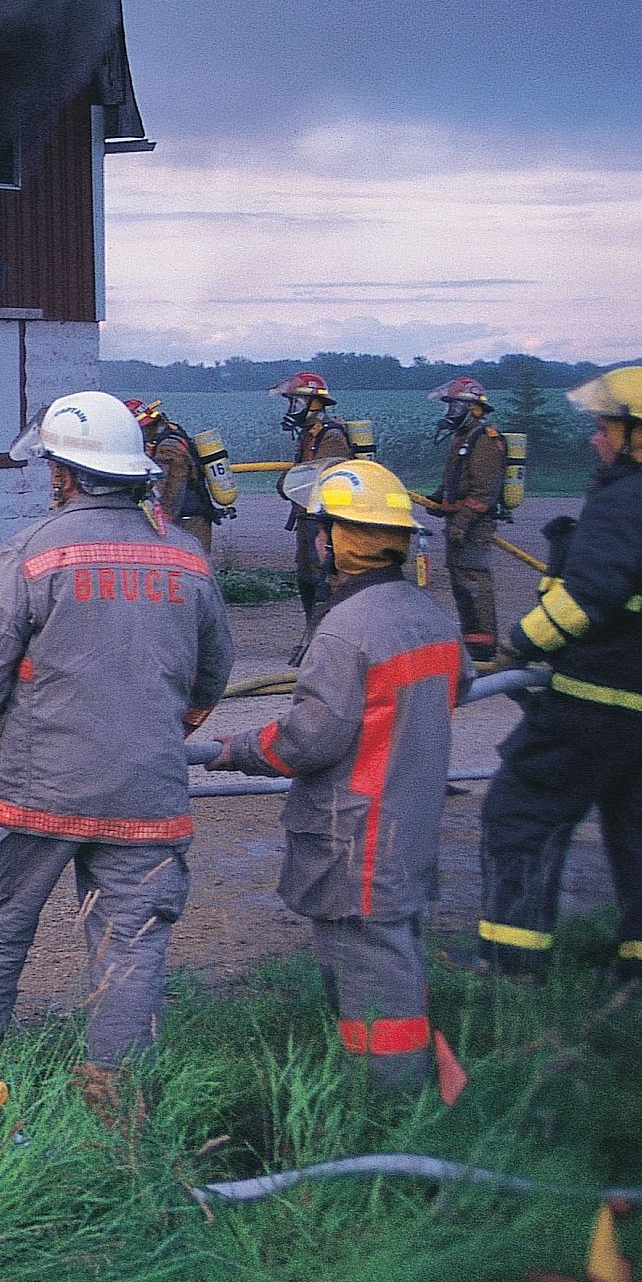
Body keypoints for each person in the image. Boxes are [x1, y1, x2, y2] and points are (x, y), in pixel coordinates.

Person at [0, 389, 235, 1112]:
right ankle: (115, 1105)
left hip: (31, 790)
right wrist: (159, 731)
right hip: (148, 793)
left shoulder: (33, 551)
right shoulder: (189, 558)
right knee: (132, 949)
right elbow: (212, 675)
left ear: (62, 475)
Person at [204, 459, 463, 1092]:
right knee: (392, 958)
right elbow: (461, 685)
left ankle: (388, 1110)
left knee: (375, 982)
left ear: (338, 539)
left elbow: (309, 739)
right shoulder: (429, 615)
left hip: (357, 840)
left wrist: (233, 749)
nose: (315, 539)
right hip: (408, 827)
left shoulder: (346, 628)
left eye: (321, 527)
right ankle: (409, 1087)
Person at [476, 365, 642, 990]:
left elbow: (586, 601)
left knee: (521, 816)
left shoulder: (626, 501)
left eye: (606, 427)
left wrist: (517, 644)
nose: (595, 440)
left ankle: (510, 974)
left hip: (594, 703)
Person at [427, 377, 508, 666]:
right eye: (449, 406)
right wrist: (437, 500)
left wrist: (461, 522)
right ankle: (473, 643)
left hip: (475, 526)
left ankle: (484, 647)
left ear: (473, 408)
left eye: (455, 406)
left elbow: (484, 492)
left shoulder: (485, 439)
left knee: (475, 583)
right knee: (462, 584)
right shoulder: (463, 438)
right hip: (461, 525)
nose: (449, 412)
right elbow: (456, 481)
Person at [275, 371, 356, 641]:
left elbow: (321, 476)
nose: (292, 409)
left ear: (315, 404)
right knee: (307, 579)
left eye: (296, 403)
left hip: (322, 521)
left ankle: (328, 639)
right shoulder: (310, 434)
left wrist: (287, 482)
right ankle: (313, 637)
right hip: (306, 517)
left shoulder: (330, 436)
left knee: (324, 580)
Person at [130, 397, 222, 555]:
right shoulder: (172, 432)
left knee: (193, 569)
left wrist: (163, 522)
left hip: (186, 521)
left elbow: (170, 491)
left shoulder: (168, 449)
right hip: (194, 515)